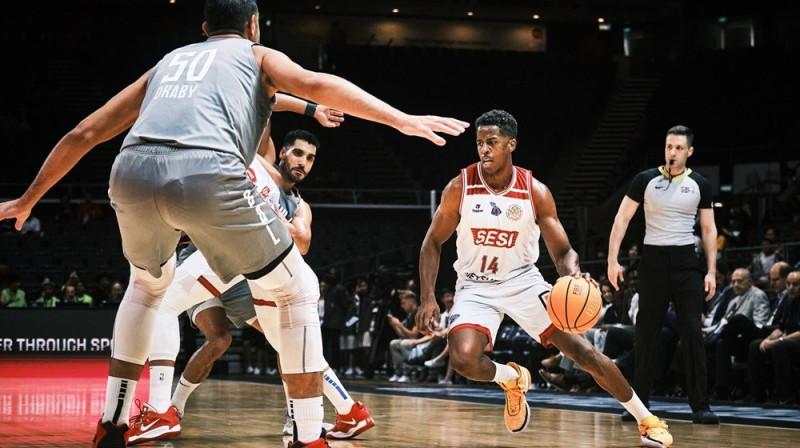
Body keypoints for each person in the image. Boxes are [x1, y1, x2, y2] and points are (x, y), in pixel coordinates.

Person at [0, 1, 468, 446]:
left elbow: (84, 133)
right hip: (206, 176)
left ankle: (112, 422)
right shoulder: (256, 54)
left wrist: (27, 199)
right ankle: (308, 435)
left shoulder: (168, 62)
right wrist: (400, 119)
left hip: (130, 172)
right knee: (298, 290)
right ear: (253, 25)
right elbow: (316, 82)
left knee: (145, 289)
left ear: (203, 29)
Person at [417, 110, 672, 448]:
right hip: (475, 286)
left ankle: (647, 419)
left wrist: (573, 276)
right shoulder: (459, 187)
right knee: (463, 358)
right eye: (479, 143)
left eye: (491, 143)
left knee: (584, 353)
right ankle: (512, 378)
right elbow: (433, 241)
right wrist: (428, 296)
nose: (484, 150)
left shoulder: (534, 191)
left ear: (511, 145)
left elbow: (563, 251)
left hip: (523, 282)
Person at [127, 128, 374, 444]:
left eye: (311, 158)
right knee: (235, 338)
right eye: (299, 153)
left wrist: (268, 218)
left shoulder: (299, 205)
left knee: (172, 307)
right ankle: (345, 411)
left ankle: (162, 411)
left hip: (247, 258)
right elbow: (265, 103)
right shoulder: (264, 159)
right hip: (219, 253)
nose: (303, 162)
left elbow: (303, 241)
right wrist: (310, 109)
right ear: (283, 152)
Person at [607, 125, 719, 424]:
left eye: (679, 148)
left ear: (689, 151)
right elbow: (622, 218)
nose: (672, 152)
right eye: (669, 147)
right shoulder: (645, 179)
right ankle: (640, 405)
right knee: (646, 335)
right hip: (653, 260)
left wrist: (711, 271)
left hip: (686, 262)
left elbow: (708, 229)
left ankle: (701, 406)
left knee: (693, 335)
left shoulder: (700, 184)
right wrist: (612, 260)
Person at [746, 270, 800, 404]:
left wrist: (778, 341)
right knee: (756, 345)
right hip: (789, 341)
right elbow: (781, 328)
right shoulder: (789, 301)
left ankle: (786, 396)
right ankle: (758, 394)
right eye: (788, 284)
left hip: (795, 342)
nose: (791, 288)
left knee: (779, 347)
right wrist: (768, 339)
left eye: (795, 284)